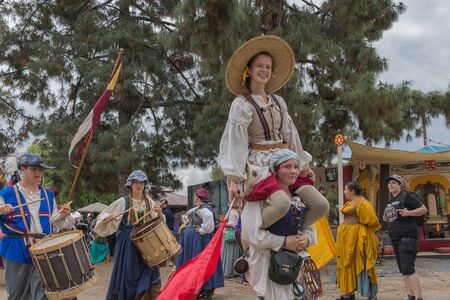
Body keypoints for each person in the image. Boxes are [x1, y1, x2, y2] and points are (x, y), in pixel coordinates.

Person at [219, 35, 329, 230]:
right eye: (260, 66)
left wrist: (302, 166)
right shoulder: (241, 104)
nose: (264, 70)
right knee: (281, 203)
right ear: (249, 70)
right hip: (259, 166)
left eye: (268, 67)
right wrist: (234, 179)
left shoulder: (279, 102)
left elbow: (291, 135)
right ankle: (248, 232)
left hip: (284, 161)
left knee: (321, 205)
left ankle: (292, 231)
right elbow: (235, 143)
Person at [241, 149, 322, 300]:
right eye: (287, 167)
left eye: (296, 167)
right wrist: (284, 242)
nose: (293, 171)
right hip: (268, 263)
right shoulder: (261, 198)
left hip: (294, 262)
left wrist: (307, 239)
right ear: (275, 170)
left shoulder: (298, 197)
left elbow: (308, 226)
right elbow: (249, 233)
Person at [0, 153, 73, 300]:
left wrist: (63, 215)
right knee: (17, 295)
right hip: (16, 249)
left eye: (41, 170)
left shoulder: (48, 195)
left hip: (43, 249)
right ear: (23, 169)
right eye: (34, 169)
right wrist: (1, 208)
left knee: (43, 294)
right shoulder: (6, 194)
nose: (38, 173)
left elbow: (55, 222)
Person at [94, 170, 162, 300]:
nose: (139, 185)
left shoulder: (149, 202)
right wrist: (107, 217)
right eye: (136, 182)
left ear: (145, 185)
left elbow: (158, 222)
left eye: (142, 182)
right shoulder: (123, 202)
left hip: (147, 245)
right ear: (130, 184)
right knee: (127, 277)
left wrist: (159, 214)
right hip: (128, 246)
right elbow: (102, 216)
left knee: (150, 275)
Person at [383, 174, 427, 300]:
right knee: (403, 269)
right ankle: (410, 295)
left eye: (393, 183)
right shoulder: (391, 200)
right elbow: (393, 216)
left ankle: (419, 297)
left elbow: (424, 209)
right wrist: (386, 217)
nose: (390, 185)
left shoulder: (408, 196)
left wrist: (409, 213)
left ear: (399, 185)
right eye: (389, 183)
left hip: (407, 238)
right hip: (396, 239)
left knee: (409, 269)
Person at [335, 181, 381, 300]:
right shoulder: (350, 202)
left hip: (358, 238)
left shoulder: (363, 203)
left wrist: (361, 231)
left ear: (352, 191)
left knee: (362, 262)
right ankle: (349, 293)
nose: (344, 192)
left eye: (346, 189)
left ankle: (370, 294)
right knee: (347, 264)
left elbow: (372, 221)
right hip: (346, 238)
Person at [176, 188, 224, 299]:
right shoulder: (202, 208)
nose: (193, 198)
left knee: (198, 262)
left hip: (200, 240)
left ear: (198, 197)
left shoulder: (203, 210)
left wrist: (202, 230)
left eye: (194, 196)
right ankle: (206, 289)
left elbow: (209, 222)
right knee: (205, 262)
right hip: (203, 240)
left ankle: (201, 288)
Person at [220, 202, 241, 277]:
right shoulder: (239, 211)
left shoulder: (232, 211)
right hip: (235, 234)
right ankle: (234, 270)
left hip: (229, 233)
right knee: (234, 253)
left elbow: (232, 223)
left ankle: (228, 271)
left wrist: (224, 224)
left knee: (228, 253)